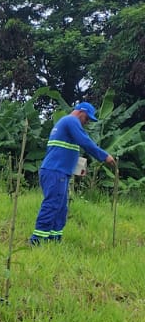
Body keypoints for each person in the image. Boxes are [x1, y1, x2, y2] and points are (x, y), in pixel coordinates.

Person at [30, 101, 117, 245]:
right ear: (80, 112)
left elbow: (64, 150)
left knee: (61, 208)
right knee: (52, 205)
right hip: (55, 172)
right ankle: (37, 240)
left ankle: (54, 240)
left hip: (59, 172)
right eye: (87, 118)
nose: (87, 122)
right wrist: (104, 156)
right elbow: (85, 141)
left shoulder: (64, 124)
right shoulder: (71, 120)